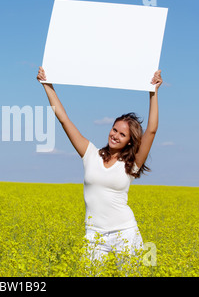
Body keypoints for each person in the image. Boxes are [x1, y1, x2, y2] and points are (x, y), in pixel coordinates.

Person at [36, 66, 163, 262]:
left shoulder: (131, 163)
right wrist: (47, 85)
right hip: (94, 235)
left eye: (122, 134)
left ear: (129, 140)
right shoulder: (90, 154)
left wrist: (153, 92)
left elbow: (152, 130)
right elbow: (64, 120)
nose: (115, 135)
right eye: (114, 130)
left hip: (125, 233)